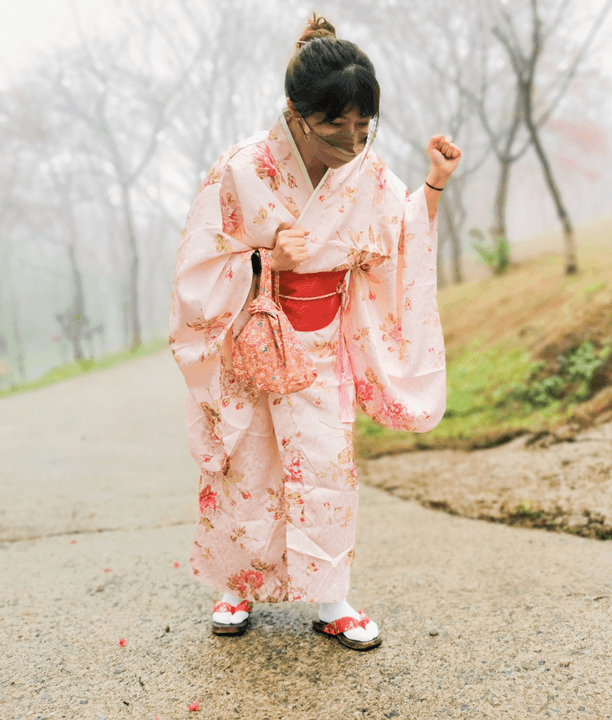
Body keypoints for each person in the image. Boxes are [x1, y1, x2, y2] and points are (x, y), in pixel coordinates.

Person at [169, 13, 460, 650]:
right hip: (254, 339)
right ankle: (236, 585)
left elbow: (400, 239)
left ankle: (331, 598)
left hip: (324, 345)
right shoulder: (242, 170)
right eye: (336, 124)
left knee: (327, 468)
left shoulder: (370, 174)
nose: (353, 140)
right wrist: (264, 257)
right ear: (296, 114)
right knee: (247, 464)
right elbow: (197, 264)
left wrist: (434, 181)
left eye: (364, 124)